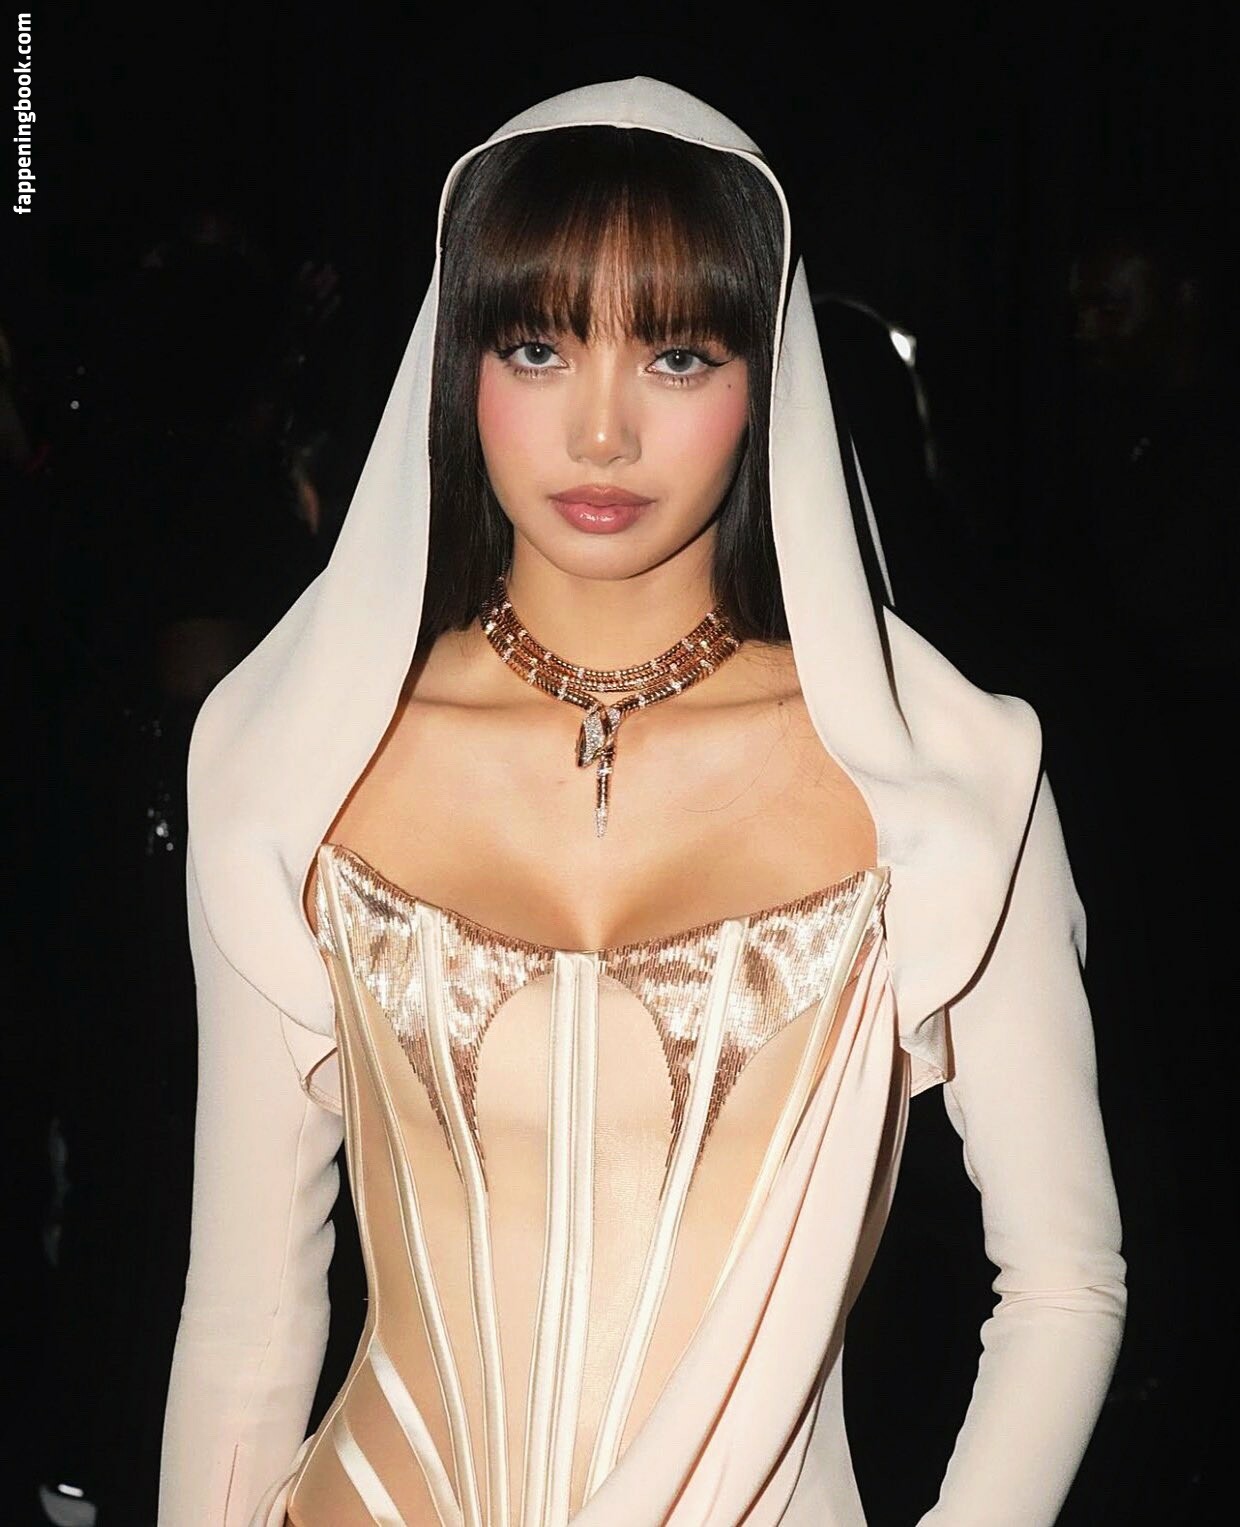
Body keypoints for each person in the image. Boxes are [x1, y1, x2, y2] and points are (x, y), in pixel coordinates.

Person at [158, 79, 1126, 1527]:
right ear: (461, 363)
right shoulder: (291, 758)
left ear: (766, 376)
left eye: (676, 355)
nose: (601, 433)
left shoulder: (943, 781)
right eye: (539, 347)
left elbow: (1060, 1281)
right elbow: (244, 1323)